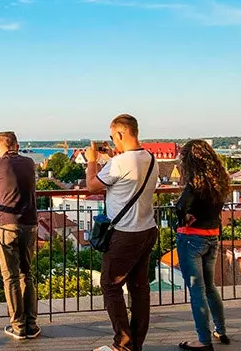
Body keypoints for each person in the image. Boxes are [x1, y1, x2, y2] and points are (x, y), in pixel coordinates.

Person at [86, 114, 159, 351]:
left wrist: (92, 161)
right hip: (147, 228)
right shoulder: (150, 158)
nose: (113, 141)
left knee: (110, 284)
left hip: (125, 233)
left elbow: (91, 186)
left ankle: (122, 343)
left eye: (112, 137)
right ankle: (135, 343)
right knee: (139, 288)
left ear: (121, 133)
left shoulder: (119, 163)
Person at [0, 131, 39, 340]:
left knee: (10, 276)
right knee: (27, 274)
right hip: (30, 224)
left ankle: (18, 325)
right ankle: (32, 323)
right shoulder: (30, 163)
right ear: (17, 146)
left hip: (7, 225)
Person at [175, 140, 231, 351]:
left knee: (196, 290)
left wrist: (184, 216)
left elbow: (181, 206)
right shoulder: (220, 181)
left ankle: (203, 340)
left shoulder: (194, 184)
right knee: (209, 287)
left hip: (191, 239)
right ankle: (221, 330)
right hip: (212, 237)